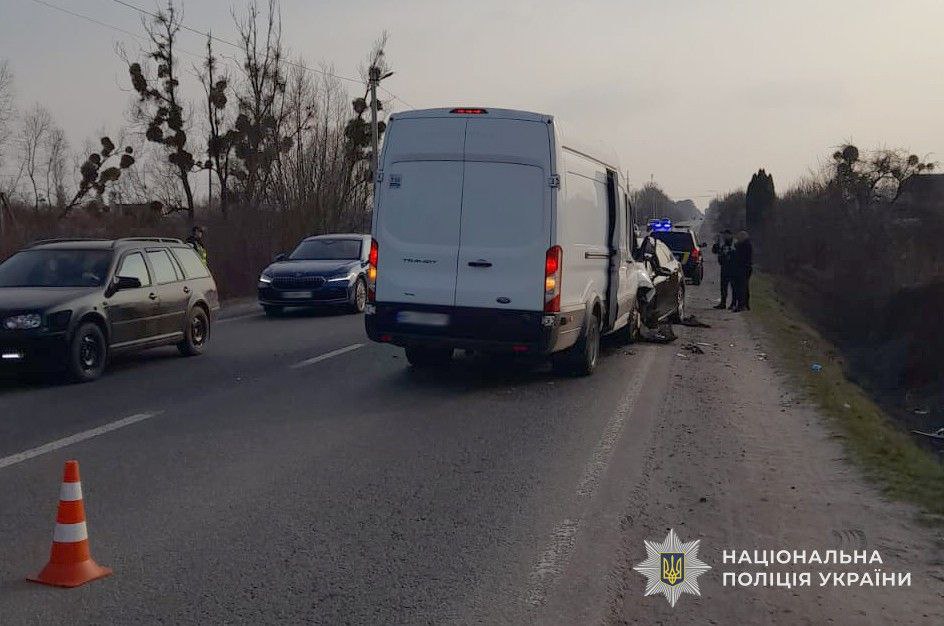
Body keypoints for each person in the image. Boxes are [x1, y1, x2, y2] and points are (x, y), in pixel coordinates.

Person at [711, 229, 736, 309]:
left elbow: (736, 255)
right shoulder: (723, 244)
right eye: (724, 235)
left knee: (733, 287)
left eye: (726, 235)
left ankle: (733, 303)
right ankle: (723, 303)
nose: (725, 237)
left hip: (732, 268)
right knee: (723, 287)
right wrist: (716, 243)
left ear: (730, 235)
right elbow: (715, 251)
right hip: (724, 267)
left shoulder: (734, 244)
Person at [731, 230, 753, 312]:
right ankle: (746, 305)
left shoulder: (745, 245)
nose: (738, 238)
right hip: (745, 268)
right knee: (745, 287)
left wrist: (736, 245)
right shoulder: (747, 244)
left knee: (741, 287)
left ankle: (741, 305)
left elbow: (740, 257)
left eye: (739, 237)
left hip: (743, 268)